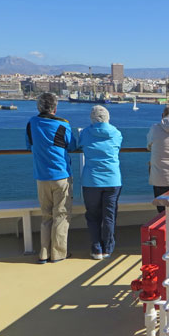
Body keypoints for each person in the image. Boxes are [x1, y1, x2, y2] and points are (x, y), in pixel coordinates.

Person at [26, 92, 76, 263]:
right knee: (61, 215)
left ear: (38, 107)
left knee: (46, 215)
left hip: (41, 176)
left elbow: (28, 145)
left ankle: (43, 253)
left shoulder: (31, 124)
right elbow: (72, 145)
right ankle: (58, 254)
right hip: (61, 175)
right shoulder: (63, 125)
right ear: (55, 108)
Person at [78, 105, 123, 260]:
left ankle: (96, 248)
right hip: (112, 179)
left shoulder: (84, 133)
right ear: (108, 118)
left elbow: (79, 144)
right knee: (109, 216)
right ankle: (108, 248)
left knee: (93, 215)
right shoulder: (116, 133)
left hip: (91, 180)